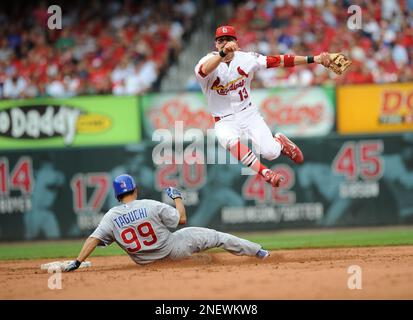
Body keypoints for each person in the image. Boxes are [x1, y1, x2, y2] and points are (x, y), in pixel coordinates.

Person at [194, 25, 332, 187]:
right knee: (228, 140)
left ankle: (280, 142)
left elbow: (279, 60)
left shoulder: (246, 59)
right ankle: (266, 172)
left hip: (248, 113)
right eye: (221, 41)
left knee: (271, 153)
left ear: (236, 43)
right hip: (223, 119)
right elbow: (204, 70)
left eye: (229, 39)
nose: (225, 43)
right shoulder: (207, 61)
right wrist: (223, 53)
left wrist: (314, 59)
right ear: (216, 45)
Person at [62, 174, 269, 271]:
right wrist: (177, 197)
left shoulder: (110, 217)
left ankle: (197, 262)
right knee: (217, 237)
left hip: (146, 263)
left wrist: (77, 261)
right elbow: (182, 220)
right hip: (173, 250)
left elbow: (93, 239)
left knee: (198, 253)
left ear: (116, 195)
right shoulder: (150, 205)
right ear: (135, 189)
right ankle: (259, 252)